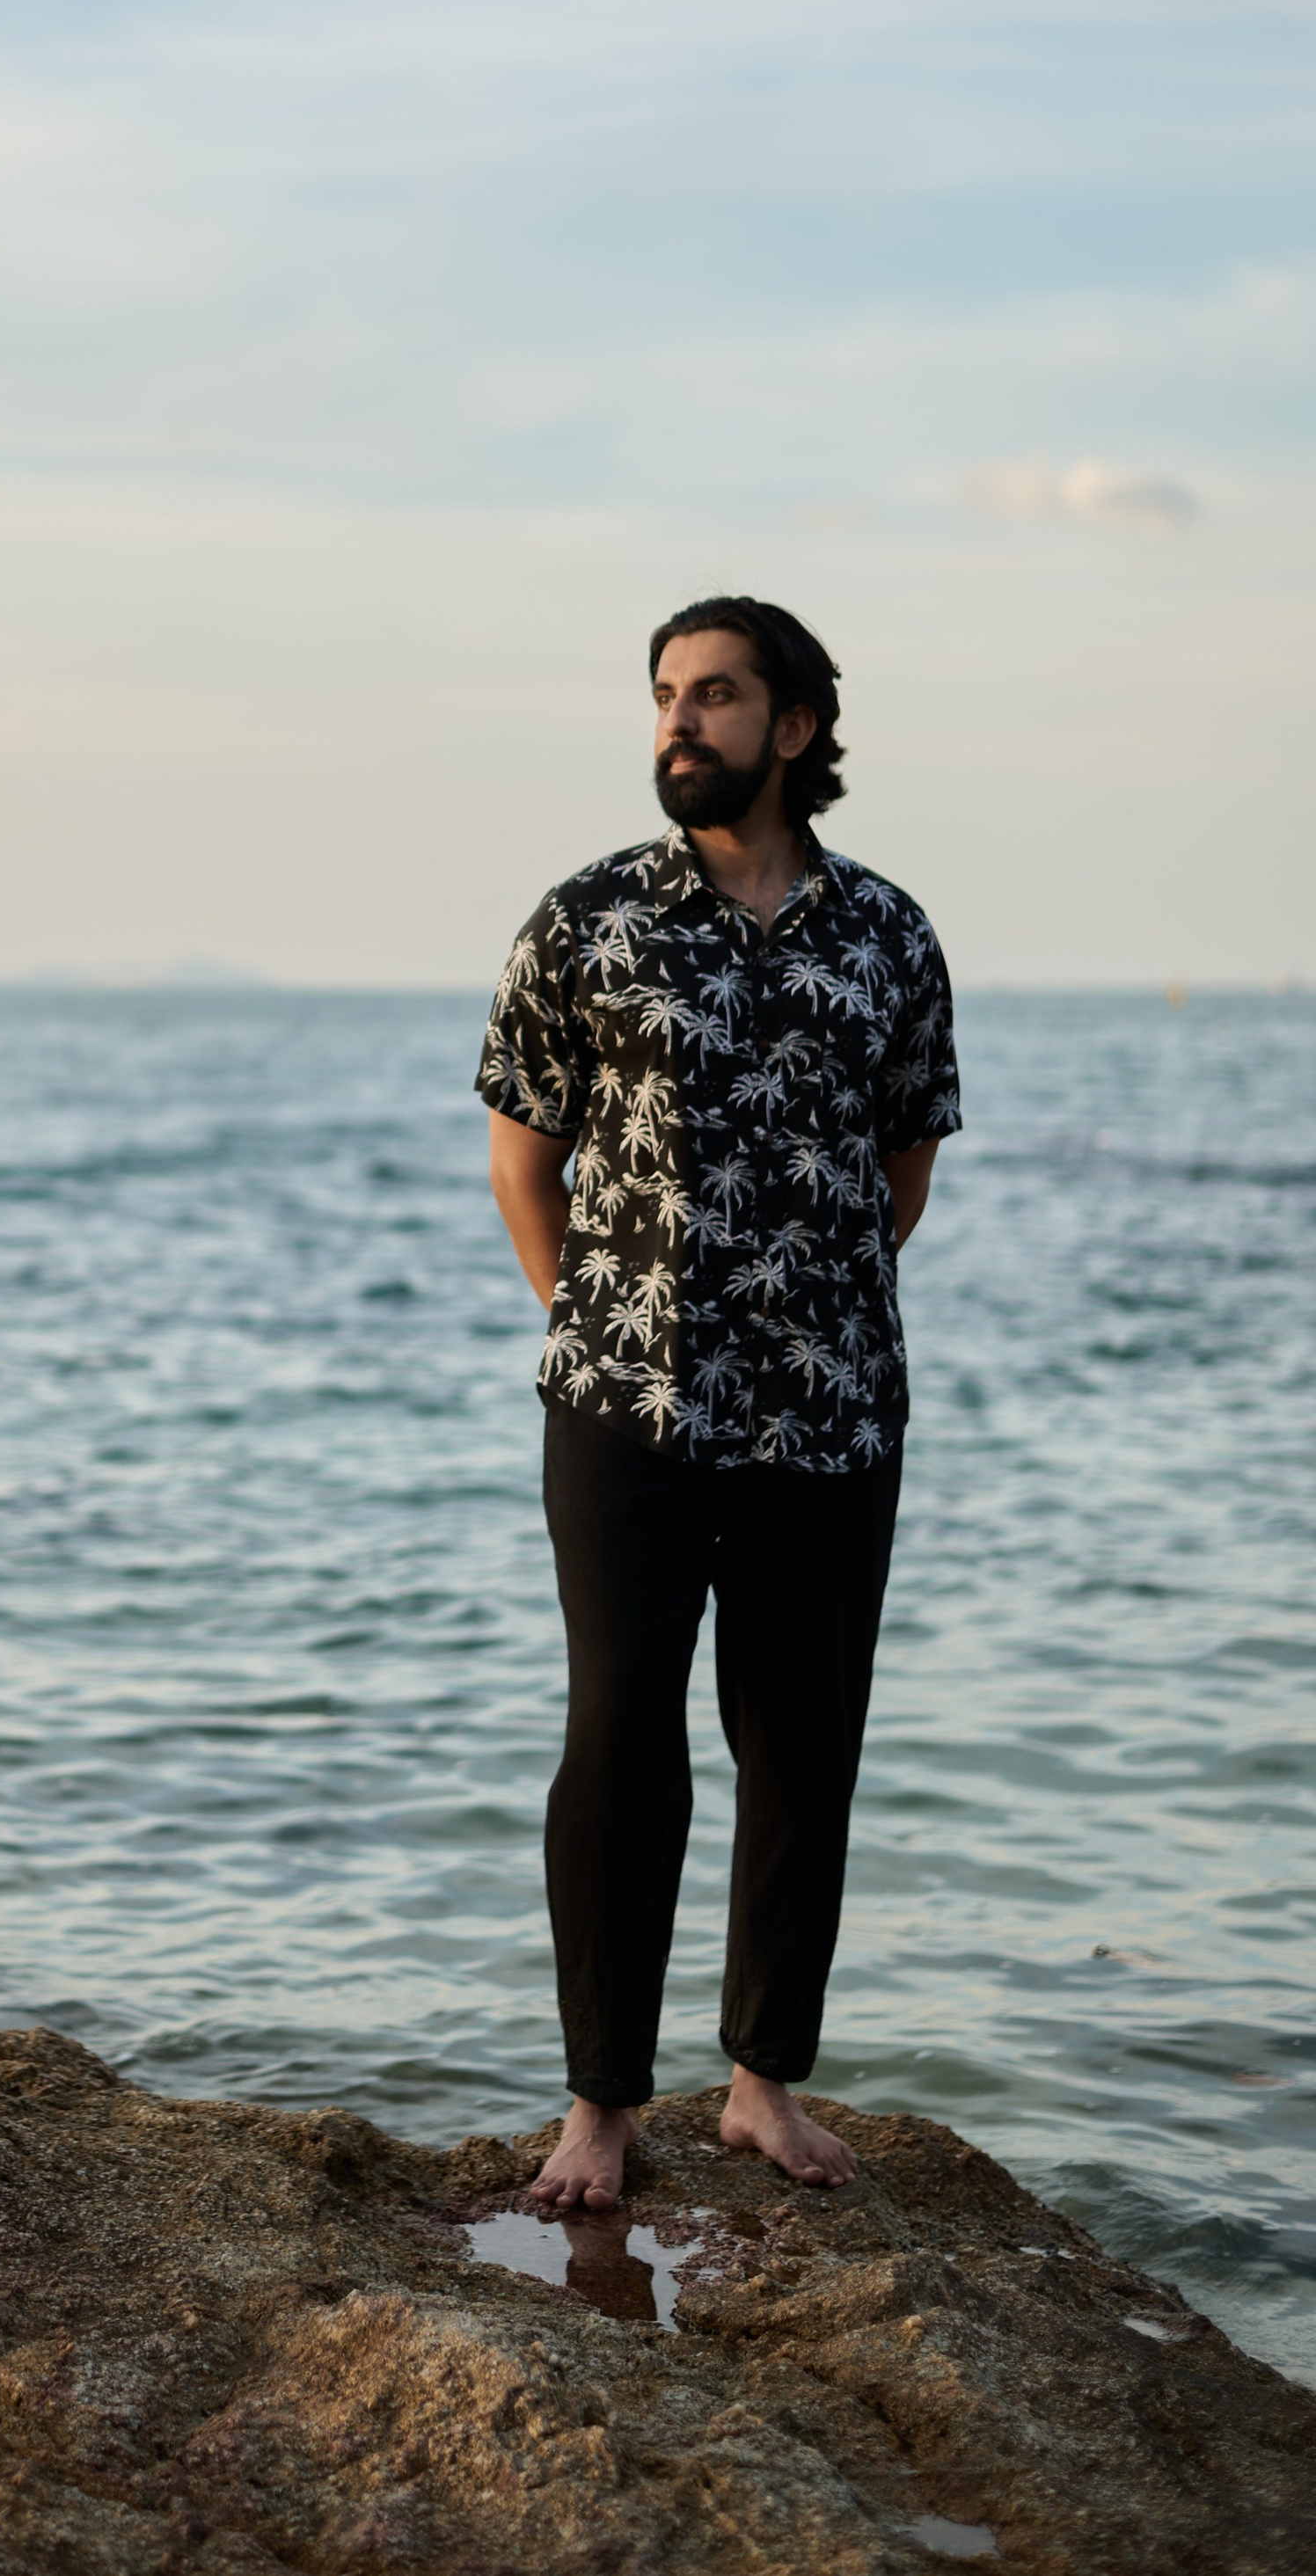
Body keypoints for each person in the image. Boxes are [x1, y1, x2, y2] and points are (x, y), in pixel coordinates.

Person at [479, 597, 958, 2207]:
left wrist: (801, 1298)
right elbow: (522, 1153)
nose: (682, 722)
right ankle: (600, 2104)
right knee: (620, 1735)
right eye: (668, 696)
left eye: (719, 696)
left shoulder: (890, 933)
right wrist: (603, 1315)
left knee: (803, 1738)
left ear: (799, 728)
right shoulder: (587, 916)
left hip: (832, 1410)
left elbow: (904, 1163)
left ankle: (763, 2082)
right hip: (624, 1401)